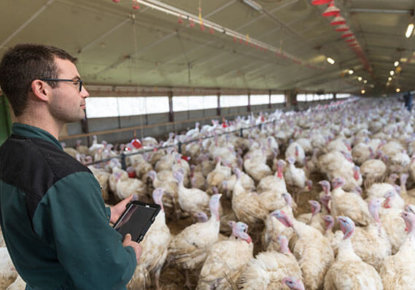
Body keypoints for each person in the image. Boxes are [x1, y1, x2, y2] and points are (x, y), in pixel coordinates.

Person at [0, 44, 141, 289]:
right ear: (42, 89)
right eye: (76, 83)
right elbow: (106, 275)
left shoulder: (8, 155)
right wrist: (130, 254)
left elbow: (40, 217)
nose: (85, 92)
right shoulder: (65, 177)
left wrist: (105, 214)